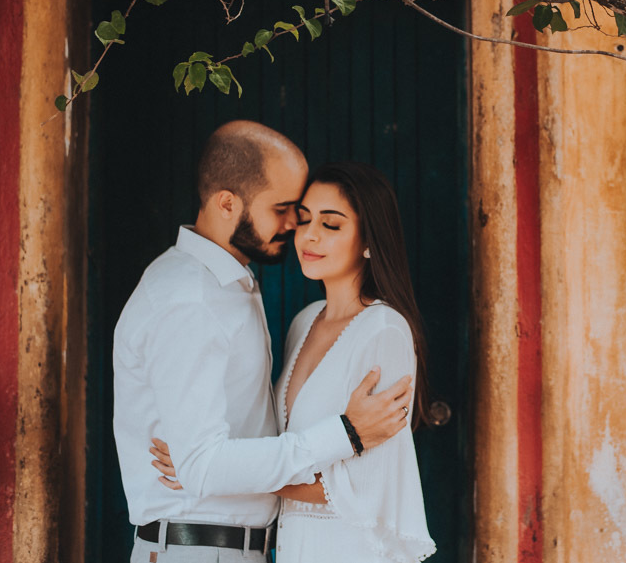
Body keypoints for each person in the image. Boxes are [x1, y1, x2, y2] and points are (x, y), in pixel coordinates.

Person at [113, 122, 413, 563]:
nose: (296, 227)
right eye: (286, 209)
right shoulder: (193, 299)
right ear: (227, 203)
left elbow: (375, 484)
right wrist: (345, 432)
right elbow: (203, 467)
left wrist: (214, 472)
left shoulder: (230, 286)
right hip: (197, 550)